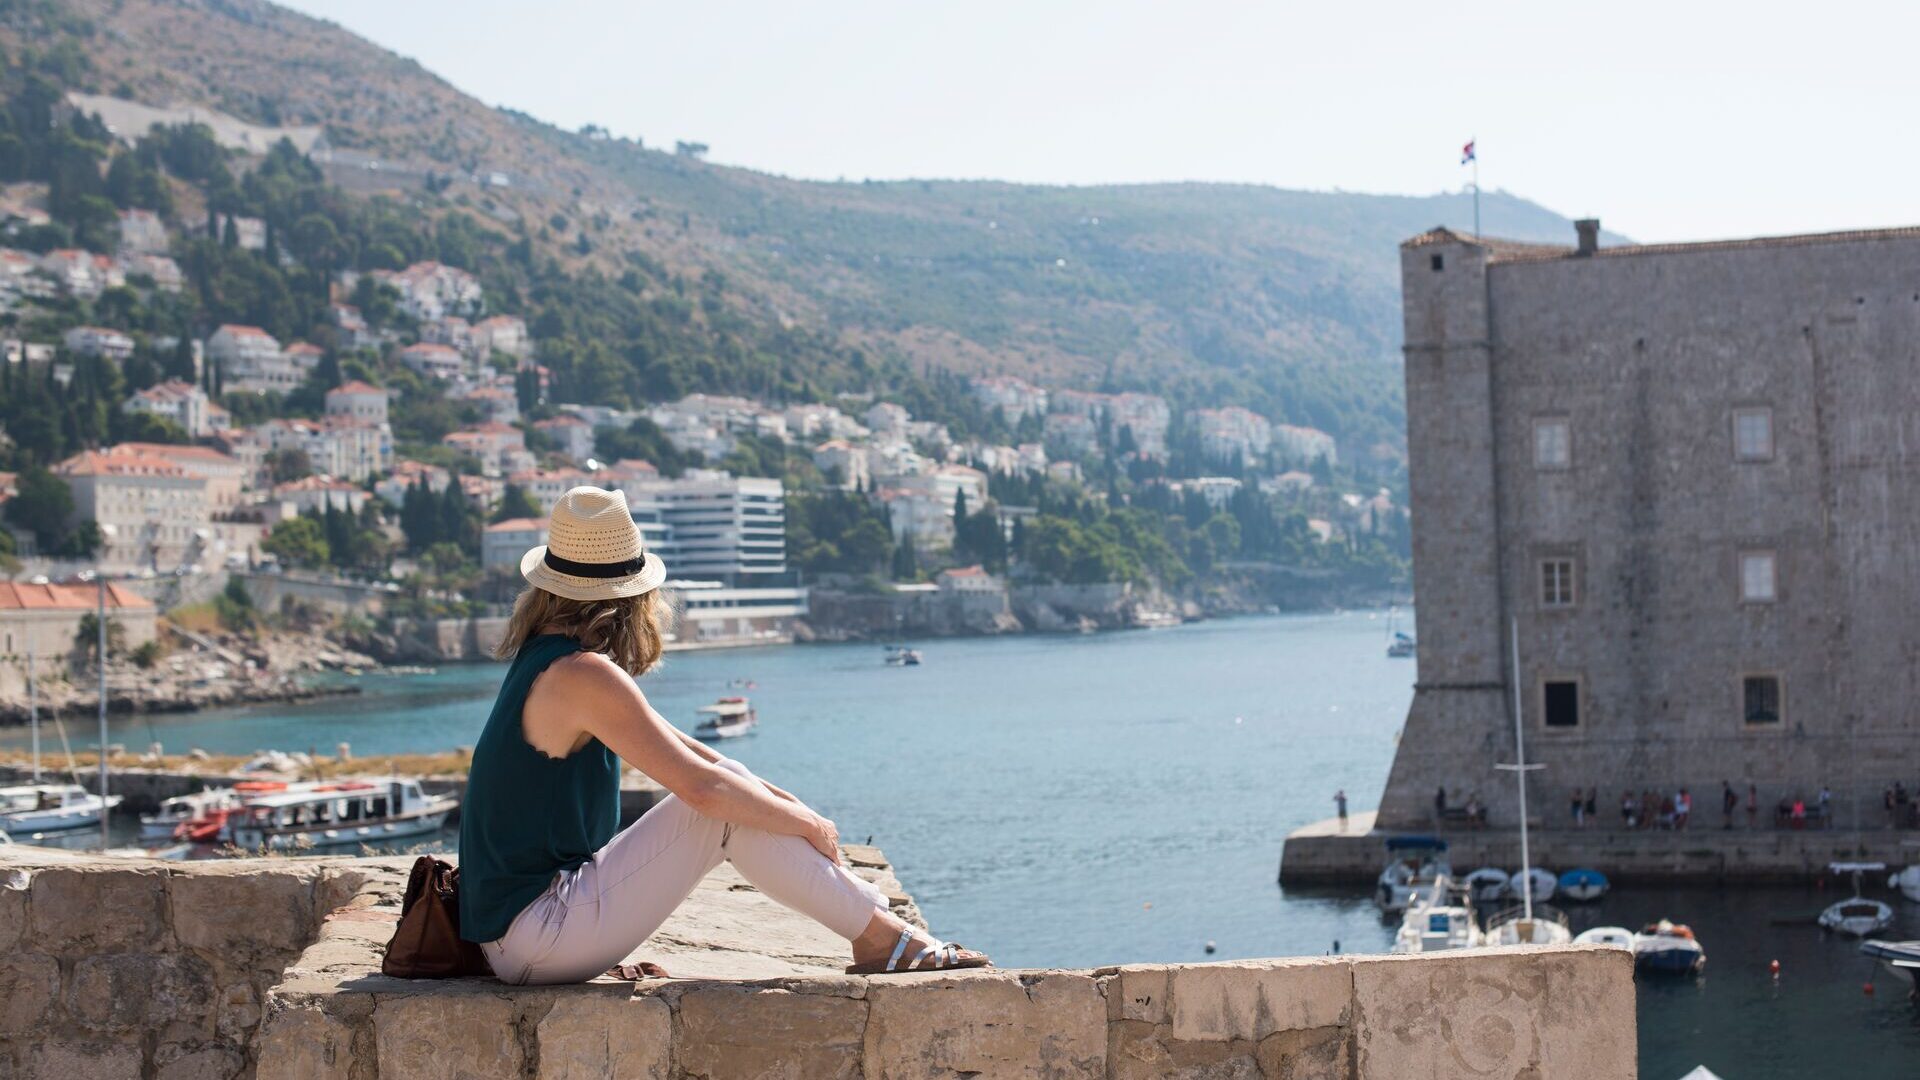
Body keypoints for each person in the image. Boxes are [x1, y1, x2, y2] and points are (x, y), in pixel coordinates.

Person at [458, 487, 990, 984]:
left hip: (522, 932)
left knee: (734, 786)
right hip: (536, 937)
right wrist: (804, 822)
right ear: (631, 596)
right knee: (717, 808)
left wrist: (790, 807)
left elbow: (695, 753)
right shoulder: (582, 673)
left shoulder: (547, 658)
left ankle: (880, 928)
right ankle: (883, 937)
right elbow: (705, 793)